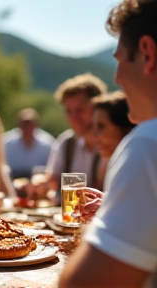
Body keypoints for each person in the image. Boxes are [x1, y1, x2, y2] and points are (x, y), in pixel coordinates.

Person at [59, 0, 157, 287]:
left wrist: (104, 225)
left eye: (119, 60)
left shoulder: (147, 144)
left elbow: (83, 283)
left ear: (147, 54)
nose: (117, 78)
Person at [43, 73, 107, 198]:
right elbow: (52, 181)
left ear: (97, 108)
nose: (74, 118)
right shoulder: (66, 142)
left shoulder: (112, 144)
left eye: (80, 110)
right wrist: (38, 183)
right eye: (69, 111)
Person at [91, 91, 136, 189]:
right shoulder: (109, 162)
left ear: (125, 128)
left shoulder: (137, 166)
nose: (94, 136)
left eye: (101, 126)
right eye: (93, 126)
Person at [3, 108, 54, 179]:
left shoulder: (47, 144)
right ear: (18, 125)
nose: (27, 128)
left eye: (30, 124)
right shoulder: (6, 143)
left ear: (37, 125)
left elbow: (51, 170)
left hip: (38, 183)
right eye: (24, 124)